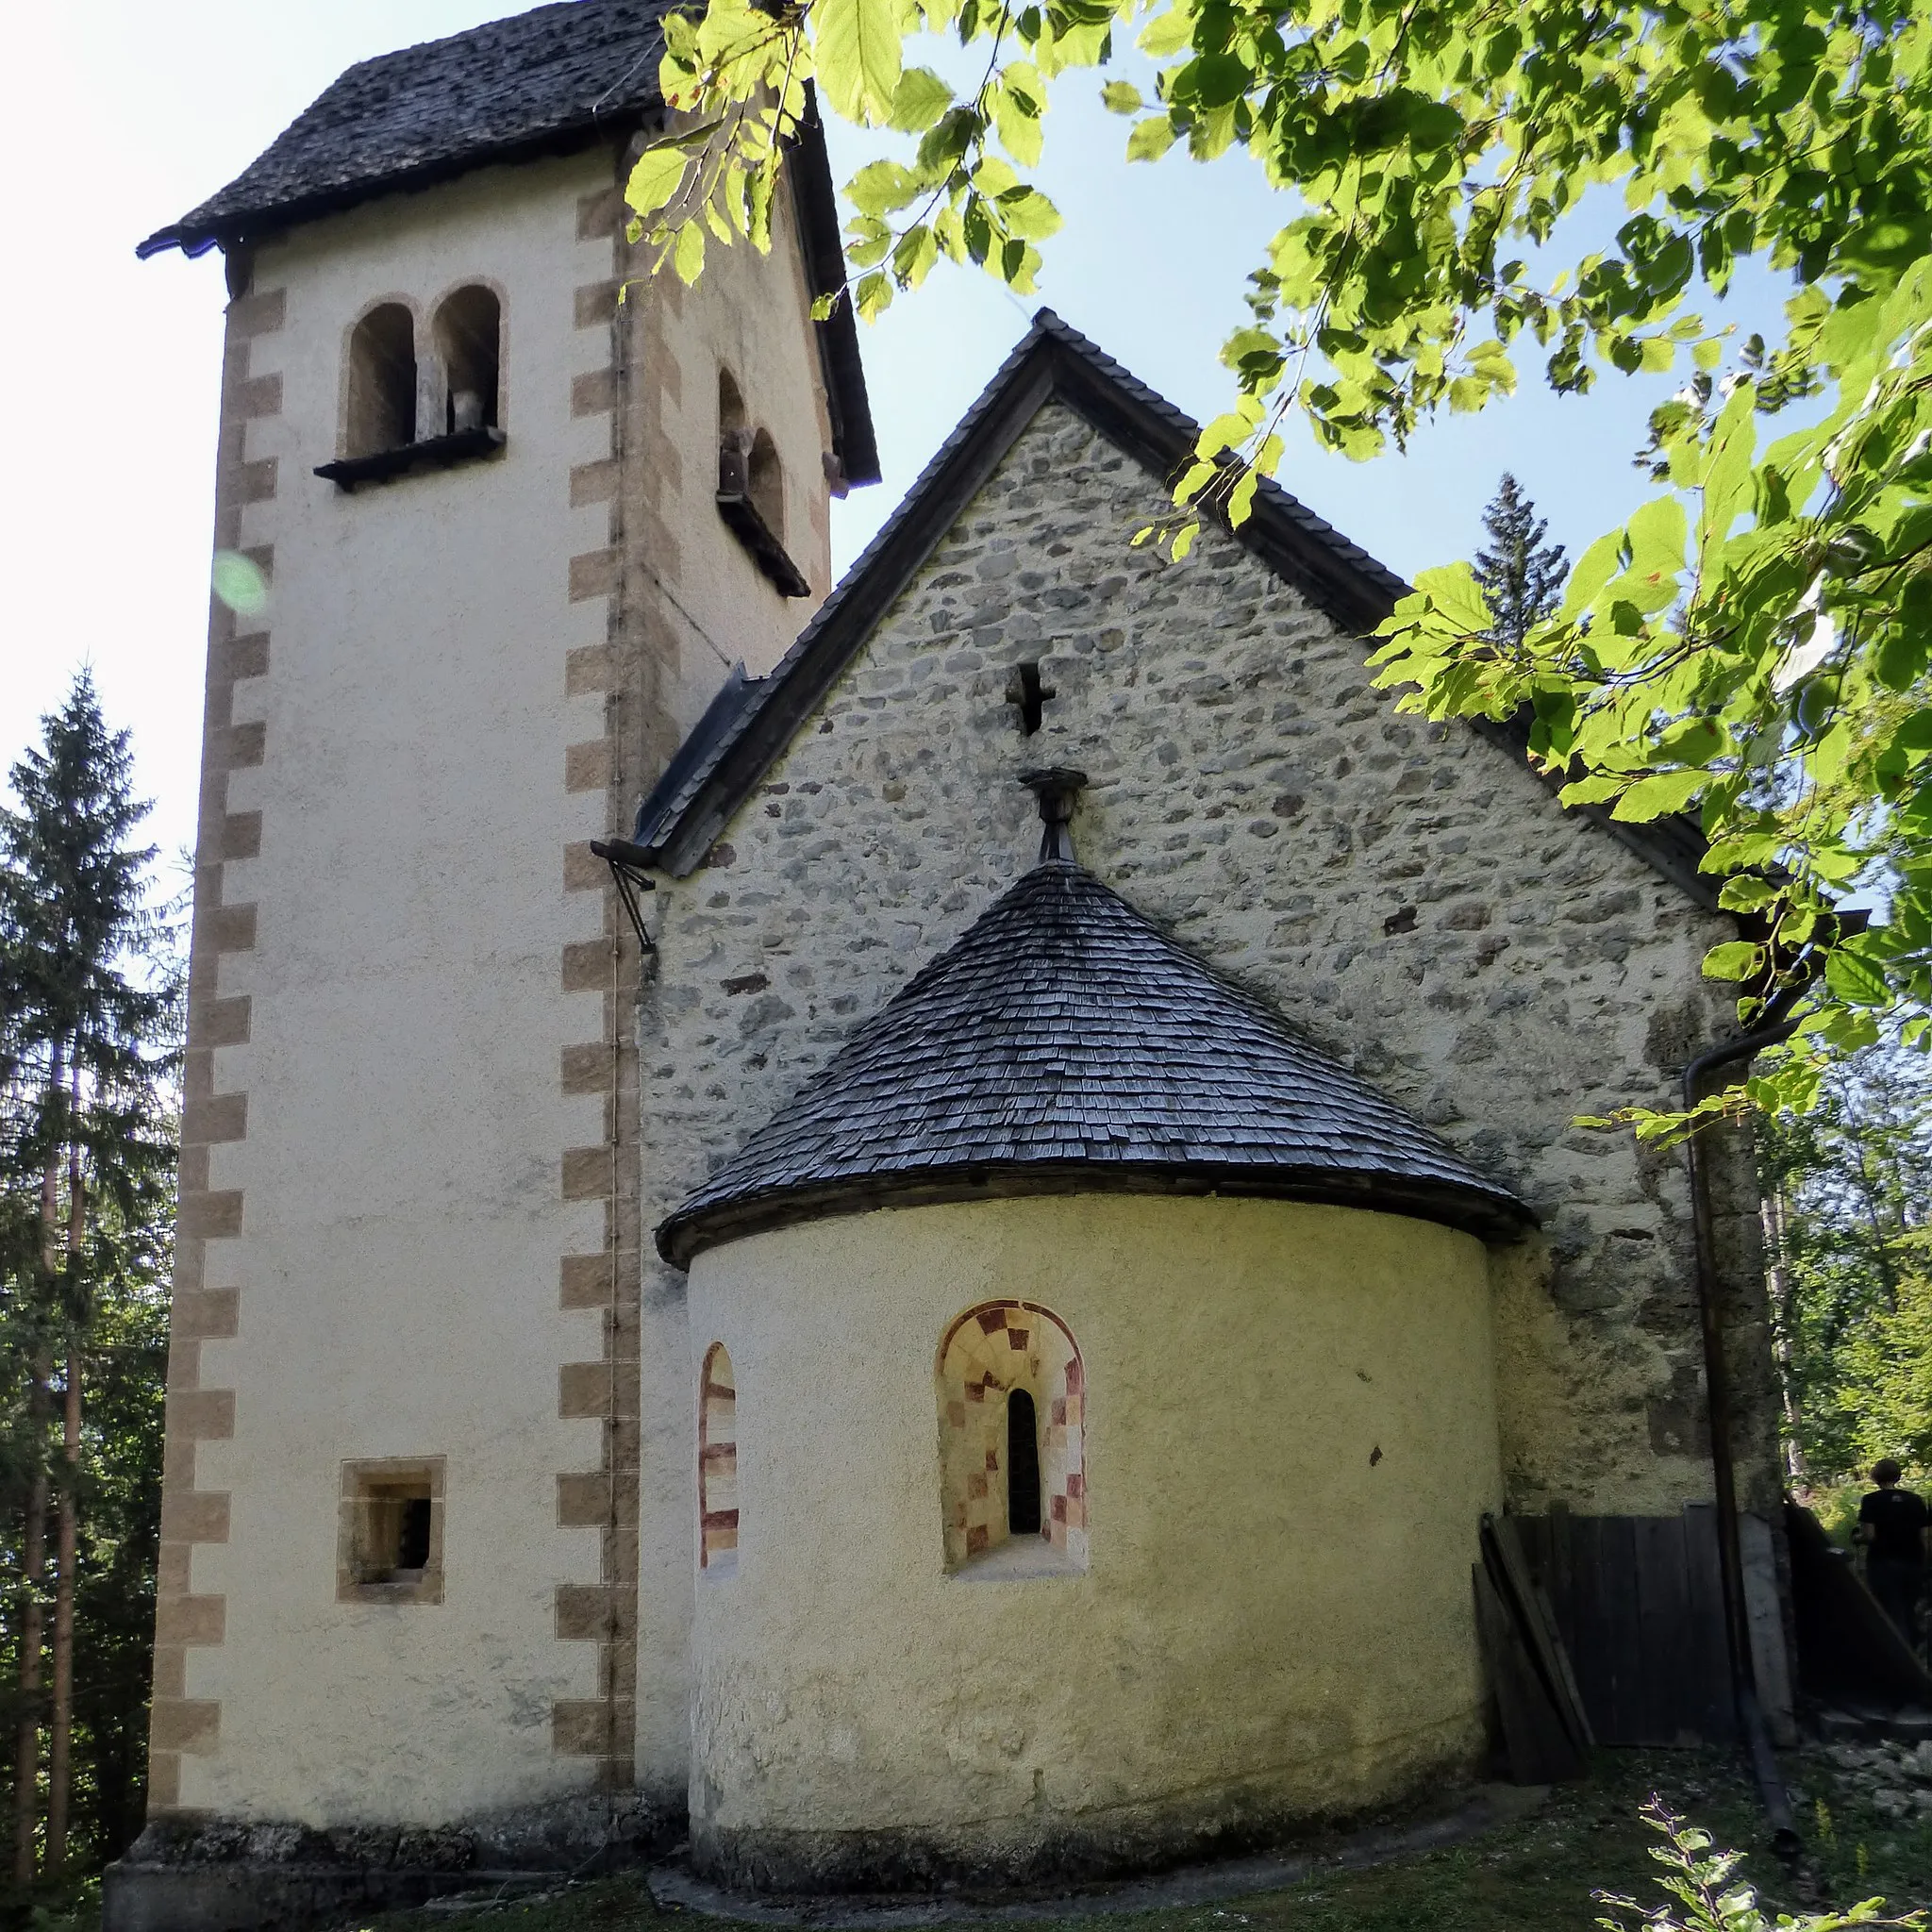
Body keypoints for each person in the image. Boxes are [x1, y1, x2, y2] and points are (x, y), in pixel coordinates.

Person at [1857, 1458, 1929, 1649]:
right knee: (1910, 1609)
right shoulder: (1915, 1500)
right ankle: (1917, 1651)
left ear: (1876, 1477)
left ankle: (1902, 1658)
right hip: (1913, 1561)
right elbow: (1925, 1536)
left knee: (1891, 1610)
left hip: (1883, 1563)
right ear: (1898, 1475)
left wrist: (1858, 1538)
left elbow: (1869, 1536)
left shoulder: (1871, 1500)